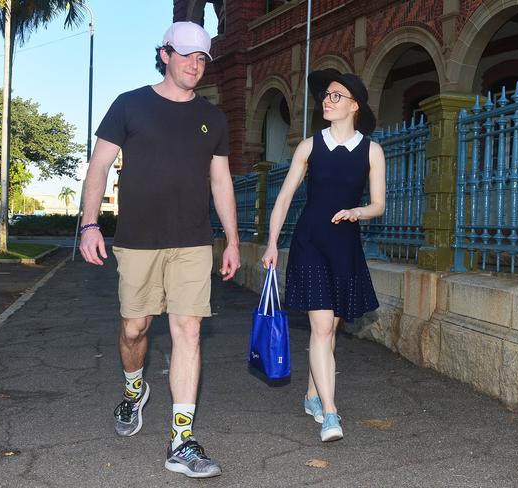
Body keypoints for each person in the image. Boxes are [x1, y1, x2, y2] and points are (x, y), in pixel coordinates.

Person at [79, 21, 240, 479]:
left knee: (188, 332)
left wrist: (231, 239)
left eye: (202, 57)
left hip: (192, 240)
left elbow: (222, 181)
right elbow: (98, 168)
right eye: (186, 54)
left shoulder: (213, 117)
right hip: (137, 241)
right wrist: (90, 225)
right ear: (165, 54)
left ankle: (181, 440)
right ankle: (134, 392)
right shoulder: (129, 105)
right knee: (134, 330)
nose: (195, 63)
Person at [261, 69, 386, 442]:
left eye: (335, 96)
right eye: (326, 96)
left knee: (330, 328)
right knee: (320, 327)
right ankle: (331, 413)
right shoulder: (309, 146)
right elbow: (283, 198)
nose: (326, 101)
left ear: (354, 105)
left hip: (345, 246)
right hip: (311, 242)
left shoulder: (372, 150)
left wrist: (357, 212)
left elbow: (378, 204)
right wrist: (271, 243)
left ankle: (312, 394)